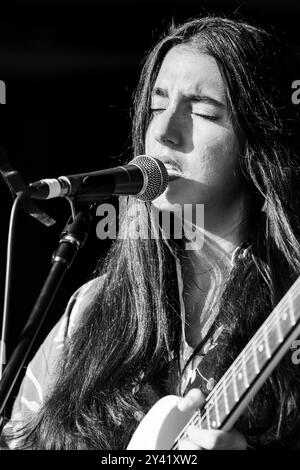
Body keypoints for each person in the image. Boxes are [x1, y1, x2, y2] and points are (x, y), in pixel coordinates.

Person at [2, 14, 300, 450]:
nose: (163, 131)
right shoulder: (90, 309)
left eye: (201, 111)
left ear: (257, 141)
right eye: (158, 107)